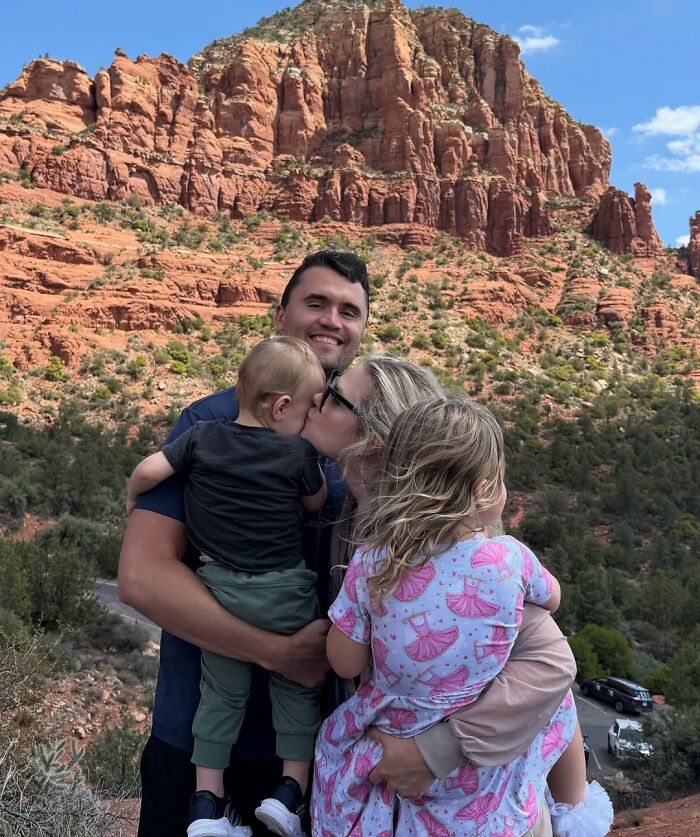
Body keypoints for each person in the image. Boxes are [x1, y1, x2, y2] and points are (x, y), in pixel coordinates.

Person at [119, 251, 577, 837]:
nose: (332, 320)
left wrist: (438, 751)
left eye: (349, 311)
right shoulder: (212, 426)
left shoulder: (414, 494)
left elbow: (541, 656)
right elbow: (140, 577)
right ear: (280, 312)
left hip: (331, 760)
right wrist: (276, 651)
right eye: (315, 303)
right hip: (204, 736)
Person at [307, 393, 612, 836]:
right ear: (483, 492)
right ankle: (571, 813)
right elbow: (554, 599)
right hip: (482, 774)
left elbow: (345, 662)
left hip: (393, 741)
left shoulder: (373, 563)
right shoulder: (509, 559)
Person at [126, 337, 328, 837]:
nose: (308, 421)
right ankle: (289, 795)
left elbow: (149, 470)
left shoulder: (202, 435)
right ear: (283, 407)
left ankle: (207, 807)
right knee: (298, 693)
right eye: (306, 411)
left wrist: (132, 501)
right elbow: (315, 503)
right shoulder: (298, 450)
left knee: (218, 698)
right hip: (285, 594)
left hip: (220, 593)